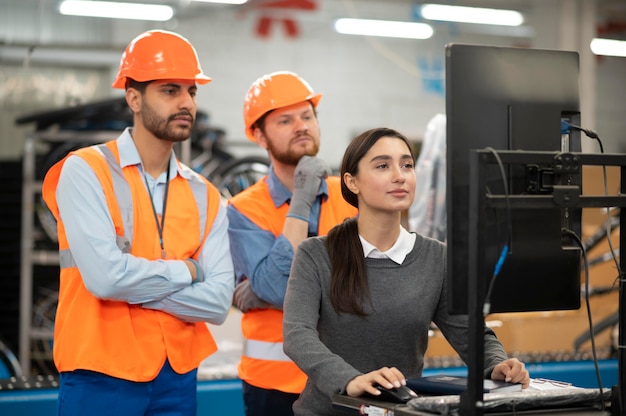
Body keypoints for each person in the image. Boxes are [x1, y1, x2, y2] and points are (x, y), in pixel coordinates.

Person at [41, 30, 234, 416]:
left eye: (191, 92)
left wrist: (131, 284)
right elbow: (104, 279)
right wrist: (188, 270)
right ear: (133, 97)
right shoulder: (85, 171)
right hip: (100, 372)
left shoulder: (205, 194)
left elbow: (217, 302)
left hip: (176, 378)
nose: (186, 103)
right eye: (169, 90)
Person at [282, 127, 530, 416]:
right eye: (383, 166)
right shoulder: (316, 254)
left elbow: (471, 333)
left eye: (407, 165)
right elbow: (297, 335)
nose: (399, 175)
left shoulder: (437, 257)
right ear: (352, 182)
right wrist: (349, 379)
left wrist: (497, 365)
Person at [227, 71, 358, 415]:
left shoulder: (352, 197)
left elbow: (375, 284)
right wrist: (301, 199)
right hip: (274, 385)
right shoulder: (244, 210)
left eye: (307, 116)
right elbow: (272, 285)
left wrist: (279, 292)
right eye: (285, 120)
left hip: (347, 378)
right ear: (259, 135)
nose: (301, 126)